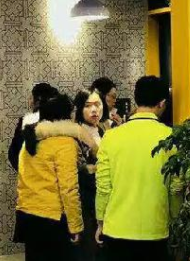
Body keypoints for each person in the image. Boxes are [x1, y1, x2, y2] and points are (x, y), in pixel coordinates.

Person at [95, 76, 174, 261]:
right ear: (162, 103)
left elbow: (103, 187)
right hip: (155, 229)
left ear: (136, 99)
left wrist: (100, 221)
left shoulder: (111, 137)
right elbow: (175, 188)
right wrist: (174, 218)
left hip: (116, 229)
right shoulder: (171, 137)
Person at [15, 94, 83, 261]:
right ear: (65, 116)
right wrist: (75, 225)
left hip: (27, 213)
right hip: (52, 217)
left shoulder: (30, 139)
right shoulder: (64, 143)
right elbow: (69, 188)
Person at [73, 90, 105, 261]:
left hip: (104, 198)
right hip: (85, 201)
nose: (94, 110)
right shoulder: (76, 134)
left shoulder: (104, 130)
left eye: (97, 104)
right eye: (88, 106)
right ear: (79, 109)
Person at [8, 82, 58, 171]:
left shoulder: (26, 122)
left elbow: (14, 153)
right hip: (53, 176)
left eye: (31, 97)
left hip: (29, 175)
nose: (29, 101)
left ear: (37, 101)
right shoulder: (60, 123)